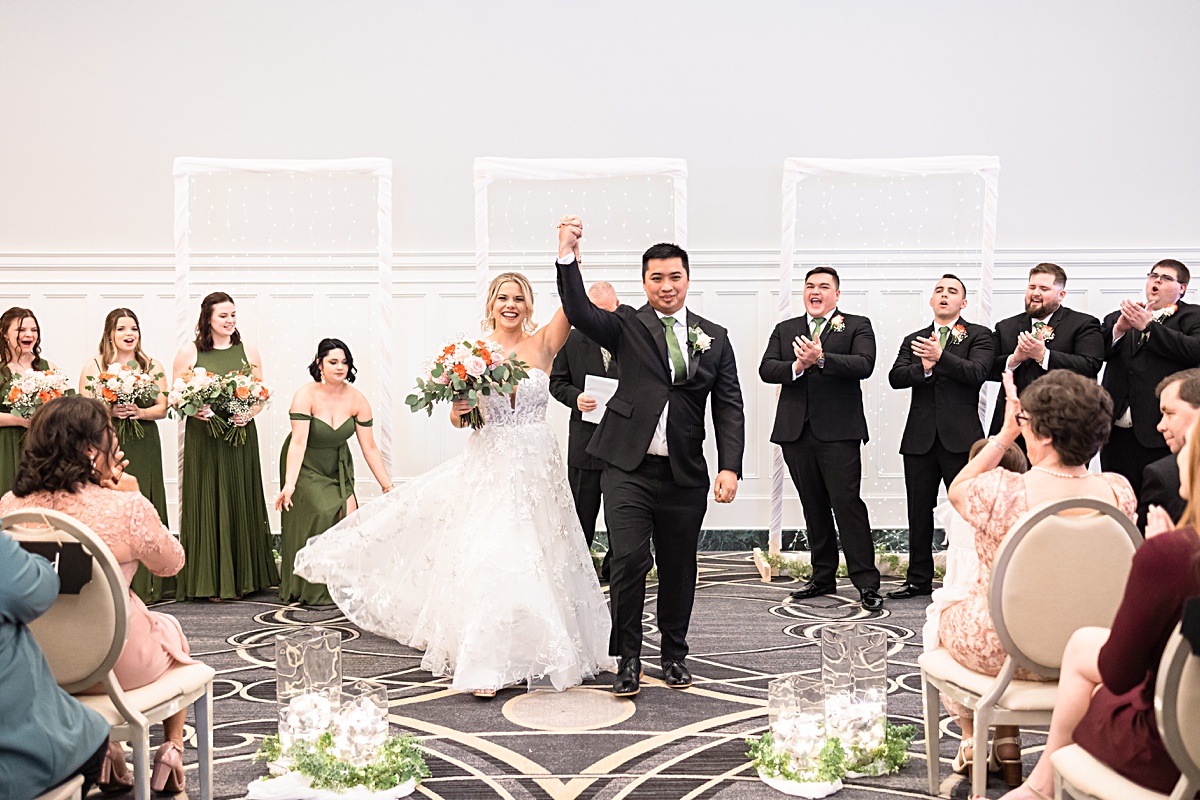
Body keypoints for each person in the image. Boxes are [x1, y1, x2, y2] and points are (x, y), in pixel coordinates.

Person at [295, 271, 615, 697]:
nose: (511, 305)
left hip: (538, 463)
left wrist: (569, 253)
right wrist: (461, 406)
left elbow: (575, 303)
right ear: (491, 304)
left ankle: (542, 649)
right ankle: (486, 661)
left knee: (543, 554)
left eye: (519, 298)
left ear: (529, 304)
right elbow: (460, 419)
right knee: (496, 552)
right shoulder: (473, 354)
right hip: (493, 461)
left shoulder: (543, 343)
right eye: (503, 297)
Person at [555, 215, 745, 698]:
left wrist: (730, 465)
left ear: (687, 280)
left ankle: (675, 654)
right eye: (656, 277)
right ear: (644, 282)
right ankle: (629, 658)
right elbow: (577, 309)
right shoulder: (625, 326)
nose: (666, 286)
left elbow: (728, 405)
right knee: (629, 561)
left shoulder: (714, 336)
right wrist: (567, 254)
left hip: (684, 472)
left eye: (674, 277)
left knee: (680, 565)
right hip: (626, 467)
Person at [940, 370, 1135, 786]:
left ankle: (973, 739)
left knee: (942, 611)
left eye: (1026, 422)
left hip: (1006, 652)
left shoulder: (1002, 492)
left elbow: (958, 487)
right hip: (1093, 651)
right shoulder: (1119, 492)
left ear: (1044, 435)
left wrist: (1004, 435)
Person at [0, 396, 197, 794]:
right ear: (92, 449)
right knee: (170, 629)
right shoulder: (126, 506)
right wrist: (134, 496)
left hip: (42, 668)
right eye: (111, 434)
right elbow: (171, 564)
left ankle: (107, 750)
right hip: (117, 663)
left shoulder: (10, 505)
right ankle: (171, 748)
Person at [999, 417, 1200, 800]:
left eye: (1190, 443)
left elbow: (1119, 673)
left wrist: (1160, 552)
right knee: (1084, 647)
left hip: (1174, 752)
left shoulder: (1173, 556)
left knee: (1095, 689)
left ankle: (1040, 789)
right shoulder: (1133, 507)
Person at [760, 266, 882, 611]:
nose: (816, 291)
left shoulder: (857, 324)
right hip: (795, 432)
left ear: (837, 294)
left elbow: (864, 364)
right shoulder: (787, 329)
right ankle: (823, 575)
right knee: (812, 505)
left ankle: (866, 582)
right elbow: (767, 368)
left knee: (847, 505)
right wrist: (797, 367)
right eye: (810, 286)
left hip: (839, 432)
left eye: (824, 287)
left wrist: (822, 358)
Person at [888, 274, 994, 599]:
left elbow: (978, 372)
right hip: (919, 439)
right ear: (931, 301)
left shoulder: (980, 336)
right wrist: (926, 367)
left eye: (952, 292)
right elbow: (896, 377)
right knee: (918, 511)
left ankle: (973, 576)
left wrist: (941, 357)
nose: (944, 295)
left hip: (962, 440)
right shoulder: (914, 338)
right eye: (939, 291)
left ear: (963, 302)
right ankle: (917, 579)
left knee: (968, 511)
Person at [172, 291, 278, 601]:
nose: (230, 320)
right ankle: (210, 581)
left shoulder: (249, 351)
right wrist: (196, 409)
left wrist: (250, 412)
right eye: (223, 315)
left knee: (239, 496)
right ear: (207, 318)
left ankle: (247, 579)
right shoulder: (188, 353)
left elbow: (260, 396)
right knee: (208, 497)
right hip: (204, 439)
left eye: (233, 315)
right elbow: (176, 399)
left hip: (240, 436)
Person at [274, 338, 393, 605]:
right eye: (333, 362)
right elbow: (298, 442)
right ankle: (311, 588)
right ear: (320, 364)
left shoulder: (357, 399)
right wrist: (289, 484)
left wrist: (387, 486)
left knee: (349, 515)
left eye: (345, 362)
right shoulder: (305, 395)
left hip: (337, 464)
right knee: (323, 509)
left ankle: (337, 584)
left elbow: (370, 448)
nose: (340, 367)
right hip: (305, 463)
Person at [1, 529, 111, 798]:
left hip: (58, 681)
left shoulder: (10, 511)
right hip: (23, 758)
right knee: (170, 633)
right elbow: (169, 562)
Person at [79, 307, 173, 604]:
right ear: (110, 334)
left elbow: (164, 406)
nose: (129, 334)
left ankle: (153, 584)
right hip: (107, 441)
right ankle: (111, 580)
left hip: (145, 440)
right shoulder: (94, 366)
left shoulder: (151, 365)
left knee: (145, 498)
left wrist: (139, 411)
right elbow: (84, 408)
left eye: (133, 328)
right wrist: (111, 410)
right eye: (121, 329)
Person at [1101, 259, 1200, 495]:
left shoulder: (1193, 316)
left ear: (1182, 288)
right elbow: (1097, 354)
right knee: (1117, 498)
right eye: (1153, 275)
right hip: (1114, 433)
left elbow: (1194, 350)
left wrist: (1149, 327)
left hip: (1159, 431)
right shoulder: (1119, 316)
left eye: (1166, 278)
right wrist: (1119, 330)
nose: (1157, 281)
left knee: (1159, 499)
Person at [921, 438, 1028, 653]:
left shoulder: (960, 511)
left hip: (976, 608)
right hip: (1023, 608)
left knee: (936, 618)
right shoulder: (1029, 508)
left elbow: (959, 575)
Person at [549, 280, 620, 580]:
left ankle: (617, 567)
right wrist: (576, 398)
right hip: (585, 442)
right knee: (581, 513)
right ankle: (577, 572)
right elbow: (557, 383)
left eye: (609, 313)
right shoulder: (570, 341)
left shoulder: (632, 338)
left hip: (624, 445)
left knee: (622, 516)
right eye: (597, 313)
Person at [988, 263, 1103, 436]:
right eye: (1032, 287)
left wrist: (1044, 355)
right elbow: (987, 368)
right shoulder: (1006, 327)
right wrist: (1014, 360)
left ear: (1061, 295)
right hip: (1013, 426)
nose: (1035, 293)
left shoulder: (1083, 324)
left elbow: (1090, 365)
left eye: (1044, 288)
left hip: (1063, 424)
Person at [0, 306, 56, 496]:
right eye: (21, 330)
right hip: (5, 446)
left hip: (40, 446)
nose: (29, 334)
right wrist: (19, 420)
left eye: (33, 330)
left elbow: (64, 408)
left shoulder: (48, 368)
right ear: (5, 333)